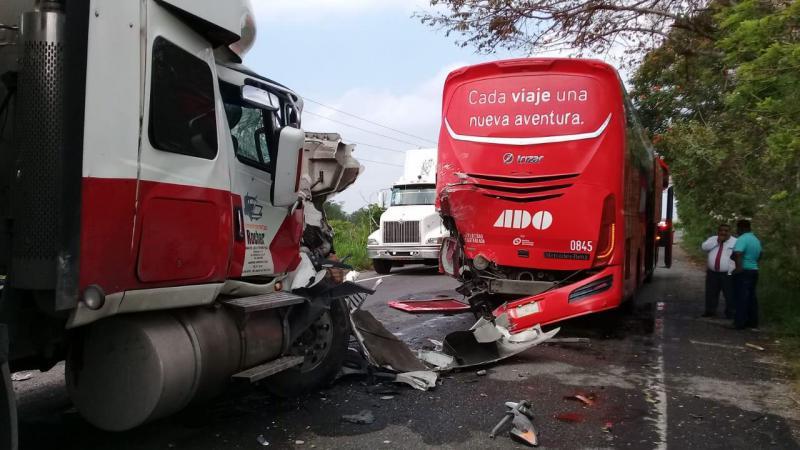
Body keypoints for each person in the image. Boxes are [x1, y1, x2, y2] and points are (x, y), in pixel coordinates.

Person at [731, 219, 762, 330]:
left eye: (738, 228)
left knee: (741, 297)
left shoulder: (742, 239)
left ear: (741, 228)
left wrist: (738, 268)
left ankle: (739, 323)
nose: (737, 231)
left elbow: (738, 253)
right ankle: (752, 322)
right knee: (751, 297)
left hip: (744, 271)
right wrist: (753, 263)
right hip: (754, 270)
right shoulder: (755, 239)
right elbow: (761, 254)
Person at [700, 224, 737, 318]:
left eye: (726, 231)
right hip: (712, 272)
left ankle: (731, 313)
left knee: (730, 294)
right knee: (711, 293)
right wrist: (717, 242)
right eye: (721, 230)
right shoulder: (713, 239)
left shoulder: (735, 242)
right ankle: (710, 311)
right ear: (718, 231)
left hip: (728, 273)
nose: (723, 232)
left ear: (730, 232)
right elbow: (704, 247)